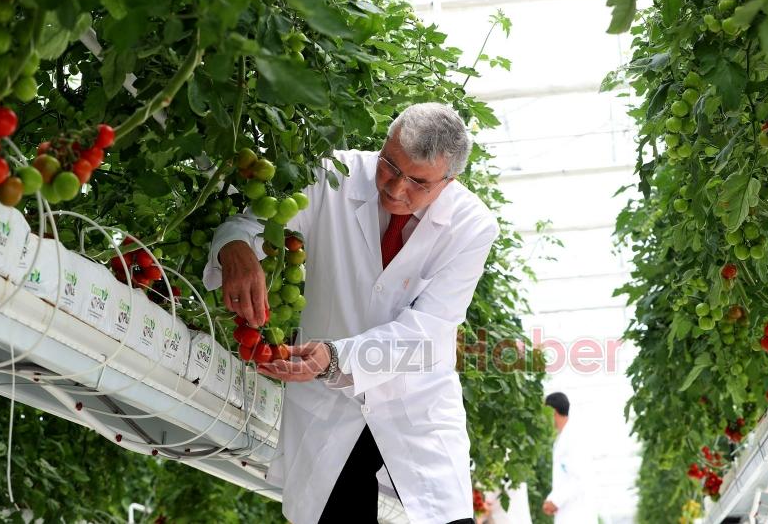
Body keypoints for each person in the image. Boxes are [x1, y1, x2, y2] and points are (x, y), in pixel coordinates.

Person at [203, 103, 500, 524]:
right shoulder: (332, 175)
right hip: (329, 404)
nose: (396, 189)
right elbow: (252, 221)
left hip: (415, 400)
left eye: (418, 182)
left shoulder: (472, 227)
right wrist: (234, 247)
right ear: (383, 144)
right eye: (389, 166)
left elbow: (429, 331)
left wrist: (337, 357)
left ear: (449, 182)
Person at [542, 392, 598, 523]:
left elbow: (579, 477)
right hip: (569, 513)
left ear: (552, 411)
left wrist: (555, 501)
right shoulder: (562, 438)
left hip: (577, 514)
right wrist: (551, 499)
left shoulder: (573, 437)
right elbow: (564, 478)